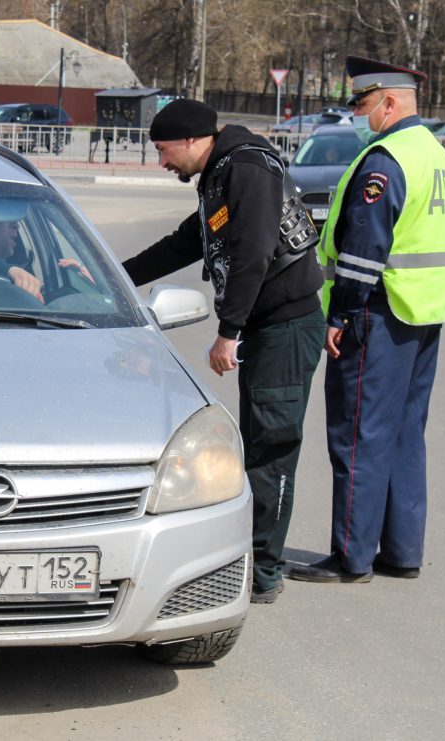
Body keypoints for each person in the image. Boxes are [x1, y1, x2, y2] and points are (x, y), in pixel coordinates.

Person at [122, 99, 325, 604]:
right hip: (268, 325)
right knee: (258, 440)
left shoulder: (246, 168)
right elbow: (183, 244)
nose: (162, 161)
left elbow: (255, 252)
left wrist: (228, 332)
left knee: (271, 447)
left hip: (284, 325)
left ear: (191, 140)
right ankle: (255, 558)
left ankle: (264, 571)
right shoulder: (220, 171)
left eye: (164, 150)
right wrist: (115, 277)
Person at [287, 56, 445, 585]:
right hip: (423, 311)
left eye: (363, 105)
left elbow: (364, 249)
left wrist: (342, 314)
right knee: (406, 431)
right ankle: (402, 552)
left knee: (358, 434)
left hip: (378, 312)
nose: (360, 116)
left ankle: (351, 557)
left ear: (389, 101)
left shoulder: (385, 160)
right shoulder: (434, 154)